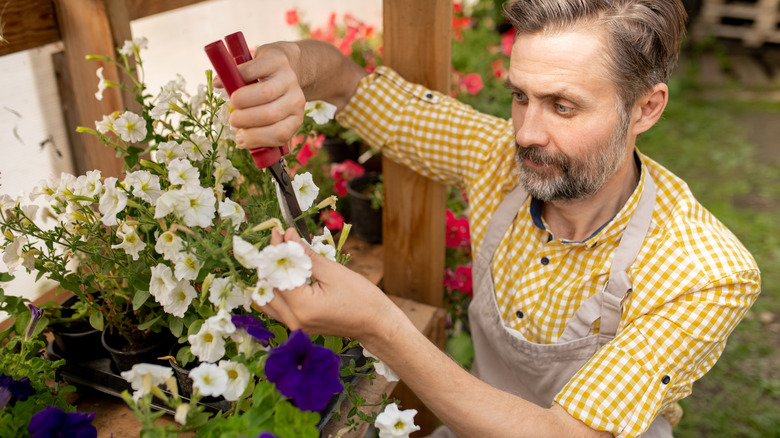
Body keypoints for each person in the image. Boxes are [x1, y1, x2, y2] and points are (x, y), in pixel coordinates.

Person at [221, 1, 761, 436]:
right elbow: (345, 82)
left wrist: (380, 326)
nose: (526, 132)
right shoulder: (494, 158)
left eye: (563, 106)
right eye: (520, 97)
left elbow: (568, 434)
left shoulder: (704, 270)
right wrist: (290, 63)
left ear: (645, 108)